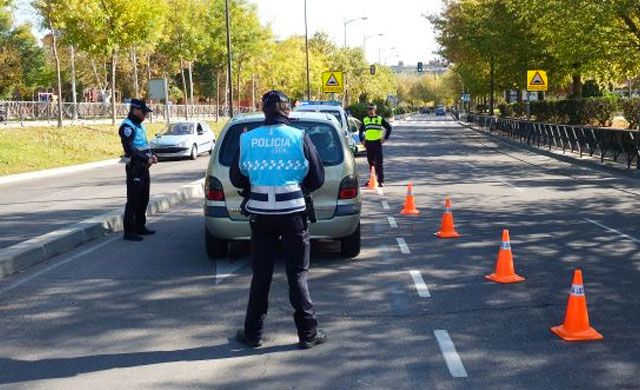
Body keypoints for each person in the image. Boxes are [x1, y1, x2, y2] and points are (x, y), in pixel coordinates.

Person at [230, 90, 327, 350]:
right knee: (297, 275)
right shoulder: (299, 137)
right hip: (294, 214)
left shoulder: (248, 139)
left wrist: (256, 183)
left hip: (260, 217)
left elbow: (237, 179)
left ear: (264, 110)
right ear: (287, 111)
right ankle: (308, 334)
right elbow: (317, 177)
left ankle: (253, 334)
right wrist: (296, 185)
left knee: (261, 276)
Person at [119, 99, 157, 241]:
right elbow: (129, 148)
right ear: (135, 110)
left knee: (143, 199)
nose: (145, 115)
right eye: (143, 112)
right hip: (135, 167)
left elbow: (143, 145)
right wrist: (145, 158)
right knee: (133, 200)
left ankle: (140, 226)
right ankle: (129, 231)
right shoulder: (127, 127)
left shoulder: (140, 126)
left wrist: (152, 155)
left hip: (144, 167)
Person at [359, 103, 392, 187]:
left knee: (379, 163)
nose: (370, 111)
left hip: (377, 143)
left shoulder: (379, 119)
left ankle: (381, 181)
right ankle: (371, 180)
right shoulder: (365, 119)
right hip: (368, 144)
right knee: (371, 163)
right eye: (368, 109)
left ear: (375, 110)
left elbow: (389, 128)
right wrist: (362, 140)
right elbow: (360, 131)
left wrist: (385, 138)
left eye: (371, 109)